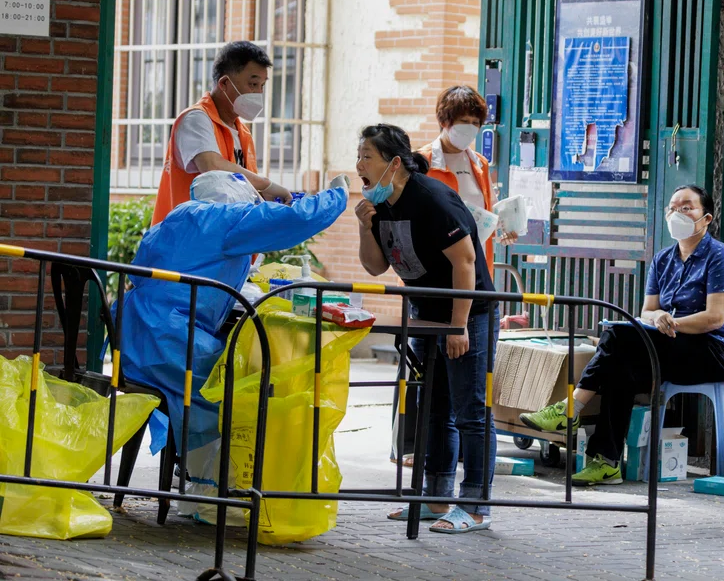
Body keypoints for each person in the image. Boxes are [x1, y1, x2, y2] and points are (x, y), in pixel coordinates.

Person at [519, 185, 724, 486]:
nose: (678, 213)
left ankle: (570, 409)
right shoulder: (664, 259)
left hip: (714, 351)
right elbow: (647, 310)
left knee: (619, 338)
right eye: (673, 207)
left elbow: (715, 318)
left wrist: (671, 322)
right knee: (618, 364)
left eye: (687, 207)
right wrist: (658, 317)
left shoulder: (720, 257)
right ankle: (606, 463)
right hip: (673, 344)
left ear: (706, 218)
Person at [120, 170, 348, 458]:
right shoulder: (226, 219)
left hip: (131, 337)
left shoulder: (178, 216)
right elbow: (296, 219)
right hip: (170, 342)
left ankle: (194, 470)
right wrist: (336, 195)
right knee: (239, 388)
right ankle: (217, 478)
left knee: (231, 372)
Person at [355, 124, 498, 534]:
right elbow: (375, 266)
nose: (359, 165)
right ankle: (436, 499)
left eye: (368, 156)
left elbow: (465, 262)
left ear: (394, 163)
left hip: (467, 315)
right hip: (425, 314)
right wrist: (365, 226)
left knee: (470, 409)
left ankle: (475, 507)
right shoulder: (380, 205)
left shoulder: (432, 199)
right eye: (359, 156)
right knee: (434, 409)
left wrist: (458, 327)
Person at [152, 41, 293, 225]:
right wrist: (266, 184)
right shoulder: (196, 119)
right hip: (186, 243)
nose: (258, 93)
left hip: (224, 245)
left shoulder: (242, 133)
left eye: (262, 86)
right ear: (225, 83)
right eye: (252, 84)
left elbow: (242, 191)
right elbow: (211, 166)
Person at [418, 85, 518, 278]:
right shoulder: (421, 162)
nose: (470, 128)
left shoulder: (479, 164)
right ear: (444, 121)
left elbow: (490, 214)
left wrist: (505, 230)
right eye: (464, 121)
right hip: (433, 270)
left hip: (476, 269)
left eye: (475, 123)